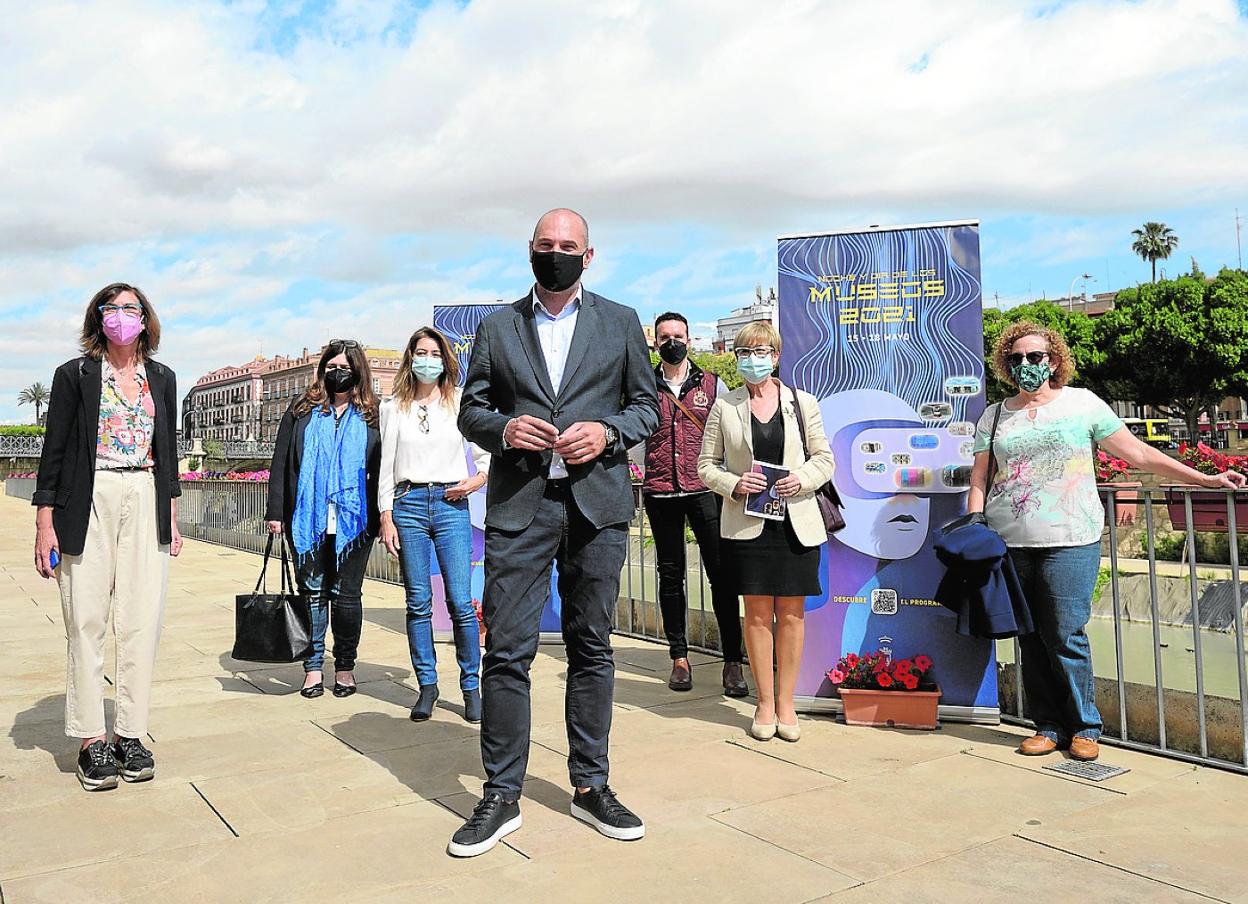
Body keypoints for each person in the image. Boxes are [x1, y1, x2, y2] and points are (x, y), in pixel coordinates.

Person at [449, 208, 659, 857]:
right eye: (547, 244)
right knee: (506, 650)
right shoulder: (497, 325)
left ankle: (591, 786)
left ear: (589, 256)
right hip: (521, 503)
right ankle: (501, 793)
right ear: (530, 251)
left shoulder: (621, 322)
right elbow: (472, 409)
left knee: (591, 646)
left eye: (569, 245)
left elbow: (646, 406)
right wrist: (504, 429)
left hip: (596, 506)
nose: (557, 252)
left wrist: (610, 432)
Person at [968, 321, 1245, 761]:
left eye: (1035, 356)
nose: (1026, 365)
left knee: (1065, 632)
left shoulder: (1082, 404)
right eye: (1016, 358)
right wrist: (974, 524)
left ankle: (1085, 727)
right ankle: (1047, 725)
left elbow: (1137, 454)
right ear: (1006, 364)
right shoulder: (996, 414)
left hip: (1071, 537)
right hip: (1010, 540)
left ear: (1054, 360)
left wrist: (1204, 478)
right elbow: (981, 476)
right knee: (1029, 636)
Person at [33, 283, 182, 791]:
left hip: (144, 492)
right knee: (86, 618)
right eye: (111, 308)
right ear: (98, 318)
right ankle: (91, 739)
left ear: (146, 318)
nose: (121, 316)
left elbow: (169, 450)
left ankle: (131, 732)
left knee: (142, 619)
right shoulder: (74, 375)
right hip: (87, 496)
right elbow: (53, 450)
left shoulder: (161, 377)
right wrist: (44, 520)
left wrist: (172, 515)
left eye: (130, 308)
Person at [698, 321, 835, 743]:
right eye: (744, 352)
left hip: (795, 521)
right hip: (748, 523)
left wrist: (804, 478)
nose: (752, 359)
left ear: (775, 356)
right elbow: (706, 466)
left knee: (791, 614)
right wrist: (733, 484)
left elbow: (824, 458)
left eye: (760, 351)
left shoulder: (802, 402)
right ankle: (764, 701)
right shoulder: (725, 406)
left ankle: (788, 702)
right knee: (756, 614)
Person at [378, 327, 489, 724]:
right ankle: (427, 685)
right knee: (418, 601)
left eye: (434, 352)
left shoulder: (459, 402)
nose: (428, 359)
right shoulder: (393, 407)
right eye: (421, 352)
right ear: (411, 358)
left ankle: (471, 686)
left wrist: (477, 479)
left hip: (449, 504)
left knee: (460, 601)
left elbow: (484, 450)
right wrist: (386, 515)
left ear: (445, 359)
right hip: (408, 504)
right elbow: (385, 466)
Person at [266, 340, 382, 700]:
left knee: (347, 597)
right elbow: (281, 461)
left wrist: (383, 517)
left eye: (345, 366)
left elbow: (382, 469)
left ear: (358, 370)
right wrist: (275, 513)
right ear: (322, 371)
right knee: (313, 594)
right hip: (308, 519)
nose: (338, 372)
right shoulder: (301, 411)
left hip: (356, 521)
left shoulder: (373, 415)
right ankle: (313, 667)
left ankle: (344, 667)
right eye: (331, 367)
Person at [642, 312, 745, 695]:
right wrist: (646, 467)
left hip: (705, 491)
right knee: (670, 576)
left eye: (679, 335)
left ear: (690, 338)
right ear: (656, 342)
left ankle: (732, 661)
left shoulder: (712, 384)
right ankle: (679, 657)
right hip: (660, 491)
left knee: (722, 575)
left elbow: (728, 437)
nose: (673, 341)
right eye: (665, 336)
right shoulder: (643, 384)